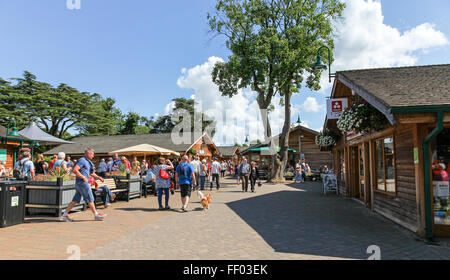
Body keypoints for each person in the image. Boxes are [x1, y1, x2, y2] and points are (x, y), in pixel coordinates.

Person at [60, 148, 107, 222]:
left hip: (81, 183)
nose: (93, 156)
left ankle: (64, 215)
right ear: (88, 153)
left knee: (75, 200)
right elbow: (75, 170)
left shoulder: (88, 162)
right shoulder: (82, 160)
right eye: (92, 154)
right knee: (90, 198)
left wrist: (98, 177)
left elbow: (91, 173)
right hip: (82, 183)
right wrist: (83, 177)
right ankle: (96, 215)